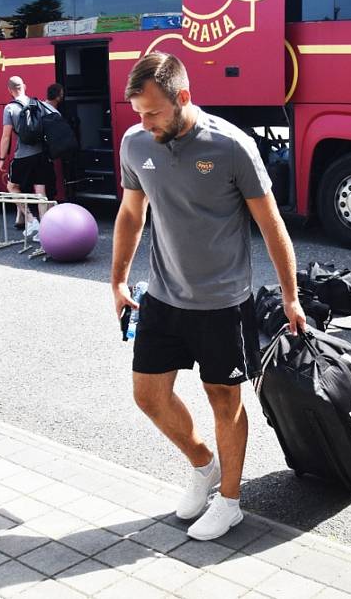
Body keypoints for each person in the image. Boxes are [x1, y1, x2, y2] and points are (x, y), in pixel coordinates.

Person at [112, 52, 305, 541]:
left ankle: (231, 501)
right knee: (148, 395)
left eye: (153, 111)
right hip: (162, 296)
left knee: (225, 401)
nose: (143, 121)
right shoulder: (137, 143)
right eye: (137, 111)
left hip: (223, 302)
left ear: (183, 98)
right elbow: (132, 215)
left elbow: (270, 223)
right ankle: (203, 466)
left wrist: (291, 294)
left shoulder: (231, 147)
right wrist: (116, 279)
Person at [0, 76, 55, 236]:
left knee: (12, 187)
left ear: (9, 90)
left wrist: (2, 158)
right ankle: (45, 231)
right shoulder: (37, 104)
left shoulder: (9, 109)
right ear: (24, 86)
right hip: (41, 154)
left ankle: (31, 220)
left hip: (22, 156)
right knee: (40, 190)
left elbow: (6, 136)